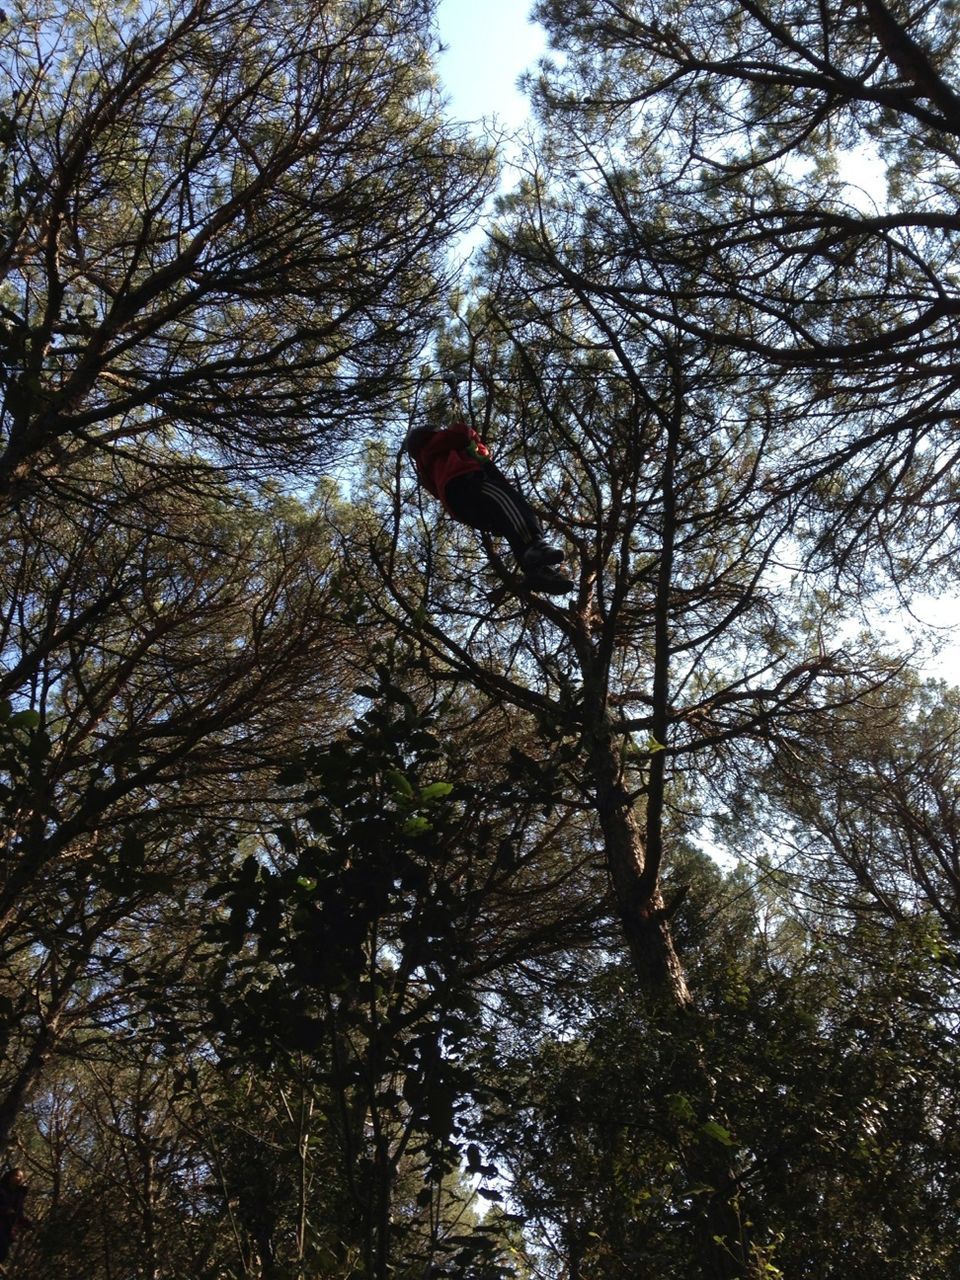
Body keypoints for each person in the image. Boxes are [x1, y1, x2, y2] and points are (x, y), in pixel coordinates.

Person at [405, 417, 573, 594]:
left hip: (459, 502)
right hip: (467, 483)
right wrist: (461, 430)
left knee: (509, 522)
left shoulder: (430, 463)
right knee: (512, 503)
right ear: (430, 434)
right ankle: (534, 544)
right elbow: (463, 433)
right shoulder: (436, 443)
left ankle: (535, 572)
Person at [0, 1167, 32, 1264]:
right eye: (17, 1176)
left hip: (8, 1227)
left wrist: (26, 1222)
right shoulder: (1, 1189)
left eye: (21, 1177)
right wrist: (5, 1210)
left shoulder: (19, 1194)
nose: (18, 1178)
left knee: (3, 1251)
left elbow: (19, 1212)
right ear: (10, 1176)